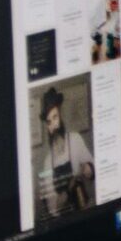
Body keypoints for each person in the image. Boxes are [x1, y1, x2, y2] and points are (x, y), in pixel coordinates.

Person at [36, 87, 94, 222]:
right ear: (47, 127)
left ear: (60, 116)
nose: (53, 126)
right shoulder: (47, 161)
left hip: (85, 213)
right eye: (49, 122)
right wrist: (61, 198)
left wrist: (88, 169)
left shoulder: (75, 139)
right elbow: (52, 208)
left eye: (55, 117)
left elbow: (93, 167)